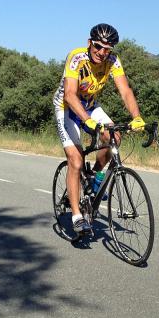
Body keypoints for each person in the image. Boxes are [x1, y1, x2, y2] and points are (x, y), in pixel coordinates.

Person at [53, 23, 145, 235]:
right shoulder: (77, 57)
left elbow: (125, 90)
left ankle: (94, 176)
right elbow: (69, 94)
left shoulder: (112, 61)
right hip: (67, 107)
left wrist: (137, 117)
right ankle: (76, 216)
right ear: (89, 43)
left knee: (115, 137)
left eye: (107, 49)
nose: (102, 52)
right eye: (98, 46)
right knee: (75, 160)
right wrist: (87, 121)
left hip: (90, 106)